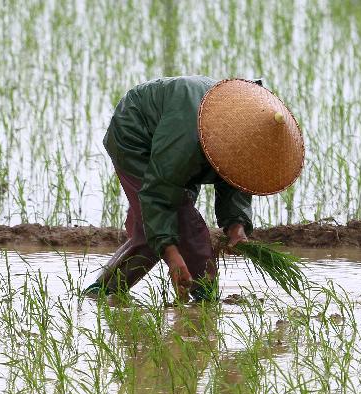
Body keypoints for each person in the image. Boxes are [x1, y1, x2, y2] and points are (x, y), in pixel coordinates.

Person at [84, 77, 304, 301]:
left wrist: (236, 227)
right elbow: (158, 192)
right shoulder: (187, 136)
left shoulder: (244, 131)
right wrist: (172, 257)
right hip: (136, 136)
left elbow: (235, 179)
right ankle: (204, 299)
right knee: (186, 228)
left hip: (182, 141)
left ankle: (102, 293)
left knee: (152, 230)